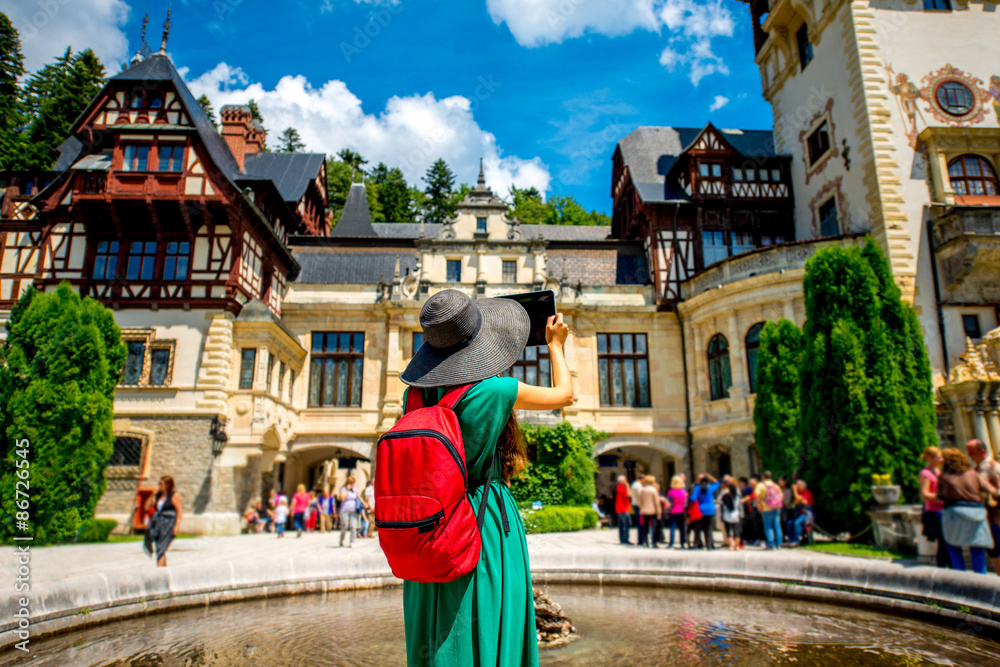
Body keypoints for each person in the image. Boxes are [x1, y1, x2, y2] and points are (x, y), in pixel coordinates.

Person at [398, 289, 573, 666]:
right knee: (488, 611)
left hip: (428, 525)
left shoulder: (413, 397)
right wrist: (555, 345)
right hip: (482, 519)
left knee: (437, 624)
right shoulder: (495, 390)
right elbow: (565, 395)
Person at [936, 447, 996, 575]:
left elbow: (940, 496)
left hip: (954, 513)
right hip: (977, 512)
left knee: (954, 547)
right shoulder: (973, 474)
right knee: (977, 548)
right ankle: (981, 579)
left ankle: (961, 581)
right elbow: (992, 490)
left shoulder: (944, 477)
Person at [966, 439, 1000, 576]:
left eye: (972, 452)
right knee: (993, 549)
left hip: (996, 516)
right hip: (986, 517)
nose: (969, 455)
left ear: (983, 451)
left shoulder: (994, 467)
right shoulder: (976, 469)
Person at [919, 446, 949, 569]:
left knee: (947, 541)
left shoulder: (938, 471)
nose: (941, 459)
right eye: (938, 457)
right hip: (934, 511)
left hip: (943, 509)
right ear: (930, 458)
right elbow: (924, 494)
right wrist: (940, 496)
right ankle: (942, 567)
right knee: (943, 541)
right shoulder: (926, 473)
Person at [143, 475, 182, 567]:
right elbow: (146, 507)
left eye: (161, 484)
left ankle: (159, 571)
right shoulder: (157, 496)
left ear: (167, 485)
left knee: (161, 547)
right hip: (158, 523)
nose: (159, 485)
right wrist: (152, 494)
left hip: (169, 524)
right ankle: (164, 571)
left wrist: (177, 525)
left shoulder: (174, 495)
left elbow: (179, 510)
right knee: (160, 547)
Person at [690, 473, 719, 550]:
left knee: (697, 529)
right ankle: (709, 546)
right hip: (710, 510)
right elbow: (718, 483)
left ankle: (696, 544)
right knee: (708, 529)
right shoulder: (711, 488)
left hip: (700, 511)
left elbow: (693, 499)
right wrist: (709, 476)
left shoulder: (697, 488)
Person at [756, 471, 783, 550]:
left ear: (763, 476)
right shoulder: (775, 485)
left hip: (766, 508)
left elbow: (756, 495)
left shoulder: (761, 485)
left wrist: (759, 506)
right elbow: (781, 496)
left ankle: (771, 544)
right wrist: (777, 503)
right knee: (777, 526)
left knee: (768, 527)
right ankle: (779, 544)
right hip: (776, 508)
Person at [638, 475, 662, 548]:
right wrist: (659, 512)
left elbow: (639, 502)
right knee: (654, 527)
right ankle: (653, 542)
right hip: (653, 511)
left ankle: (645, 542)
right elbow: (656, 502)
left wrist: (642, 507)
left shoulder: (643, 490)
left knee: (645, 527)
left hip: (644, 511)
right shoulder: (653, 490)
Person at [338, 476, 361, 547]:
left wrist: (365, 503)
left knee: (353, 526)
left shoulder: (355, 490)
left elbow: (359, 497)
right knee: (344, 526)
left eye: (353, 483)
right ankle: (341, 540)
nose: (352, 484)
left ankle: (352, 541)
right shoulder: (343, 489)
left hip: (353, 511)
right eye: (350, 483)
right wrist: (347, 490)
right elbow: (342, 498)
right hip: (344, 510)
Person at [720, 480, 743, 550]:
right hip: (736, 515)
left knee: (728, 531)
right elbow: (740, 505)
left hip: (727, 515)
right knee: (736, 531)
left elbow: (721, 503)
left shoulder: (725, 496)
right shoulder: (738, 496)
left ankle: (731, 546)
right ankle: (736, 546)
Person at [666, 475, 687, 549]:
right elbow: (685, 503)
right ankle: (682, 544)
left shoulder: (670, 492)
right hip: (681, 511)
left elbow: (668, 502)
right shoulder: (683, 492)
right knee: (682, 529)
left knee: (672, 528)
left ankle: (671, 544)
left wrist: (666, 512)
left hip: (673, 512)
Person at [614, 475, 632, 545]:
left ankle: (623, 539)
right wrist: (628, 487)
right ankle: (625, 540)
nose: (626, 481)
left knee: (622, 526)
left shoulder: (617, 487)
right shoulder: (620, 487)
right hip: (623, 509)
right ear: (621, 481)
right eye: (625, 480)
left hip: (620, 509)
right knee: (626, 525)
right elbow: (629, 495)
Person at [630, 474, 644, 544]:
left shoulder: (634, 484)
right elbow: (640, 496)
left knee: (639, 523)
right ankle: (641, 539)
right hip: (638, 506)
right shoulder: (638, 486)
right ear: (642, 479)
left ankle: (640, 539)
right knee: (641, 523)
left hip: (635, 504)